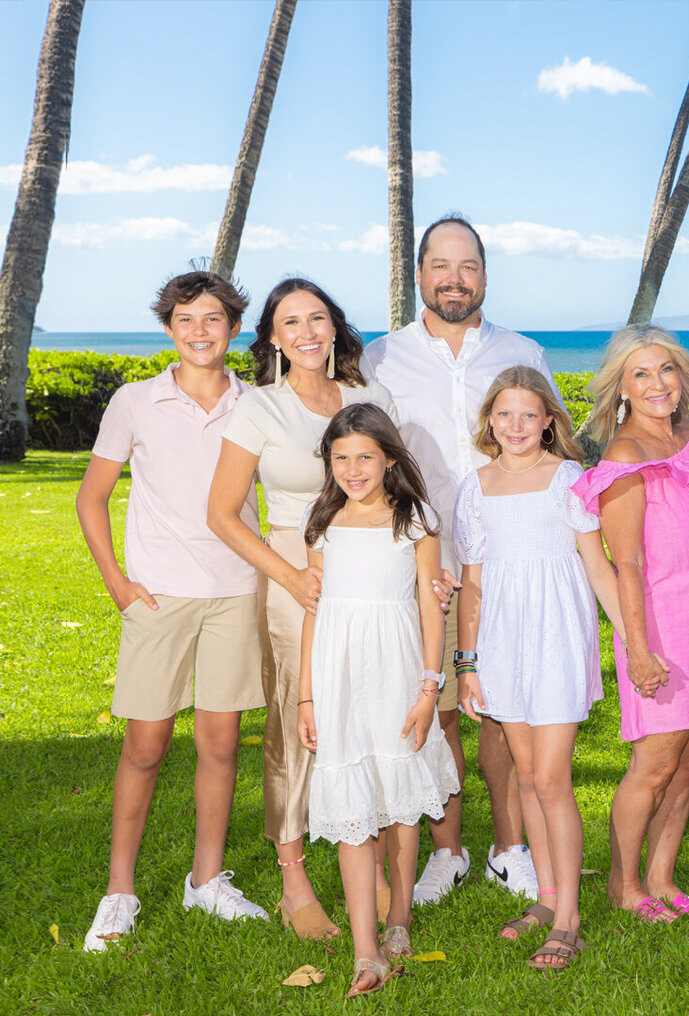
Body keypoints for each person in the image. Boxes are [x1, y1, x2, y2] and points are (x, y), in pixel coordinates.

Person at [363, 215, 558, 904]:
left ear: (485, 275)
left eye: (468, 265)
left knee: (508, 711)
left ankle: (510, 848)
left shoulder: (524, 352)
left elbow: (553, 449)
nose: (454, 278)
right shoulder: (380, 358)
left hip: (511, 563)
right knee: (440, 708)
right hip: (420, 565)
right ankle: (448, 852)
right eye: (440, 265)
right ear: (419, 274)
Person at [78, 272, 268, 951]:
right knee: (145, 747)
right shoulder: (135, 401)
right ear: (168, 329)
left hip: (235, 592)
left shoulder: (257, 403)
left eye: (212, 319)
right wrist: (118, 583)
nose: (198, 331)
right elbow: (92, 495)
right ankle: (119, 892)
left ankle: (206, 880)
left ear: (234, 328)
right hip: (158, 596)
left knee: (220, 744)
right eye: (185, 320)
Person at [208, 277, 395, 939]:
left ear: (335, 327)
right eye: (291, 322)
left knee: (369, 706)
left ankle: (369, 858)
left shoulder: (372, 399)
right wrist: (289, 576)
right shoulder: (258, 408)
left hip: (371, 564)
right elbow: (222, 514)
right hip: (295, 568)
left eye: (317, 318)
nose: (307, 332)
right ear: (272, 338)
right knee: (297, 717)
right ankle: (294, 877)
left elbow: (400, 489)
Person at [453, 368, 622, 972]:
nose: (516, 425)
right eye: (505, 414)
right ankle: (546, 899)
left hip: (555, 638)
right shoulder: (475, 487)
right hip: (501, 642)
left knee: (550, 778)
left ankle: (569, 919)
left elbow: (597, 566)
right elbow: (473, 585)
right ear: (490, 421)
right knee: (525, 776)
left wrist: (631, 639)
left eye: (529, 414)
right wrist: (467, 664)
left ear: (549, 421)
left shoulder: (567, 479)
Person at [296, 404, 459, 997]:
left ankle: (399, 922)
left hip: (397, 671)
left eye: (365, 456)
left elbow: (429, 609)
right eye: (341, 458)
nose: (353, 469)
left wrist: (428, 688)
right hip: (337, 675)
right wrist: (306, 697)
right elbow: (314, 611)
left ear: (389, 458)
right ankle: (365, 951)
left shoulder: (415, 519)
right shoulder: (322, 520)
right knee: (352, 806)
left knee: (401, 801)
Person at [571, 325, 689, 923]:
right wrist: (637, 649)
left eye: (665, 369)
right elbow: (628, 564)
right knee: (655, 765)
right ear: (621, 387)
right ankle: (624, 884)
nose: (656, 384)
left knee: (688, 762)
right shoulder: (625, 455)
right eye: (640, 374)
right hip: (662, 629)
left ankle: (662, 879)